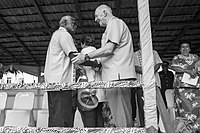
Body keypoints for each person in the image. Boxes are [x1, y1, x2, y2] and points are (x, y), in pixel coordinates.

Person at [72, 4, 136, 127]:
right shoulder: (111, 27)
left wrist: (86, 57)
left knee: (121, 114)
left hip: (118, 77)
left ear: (105, 13)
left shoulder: (115, 23)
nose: (96, 19)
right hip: (114, 77)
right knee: (119, 115)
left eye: (97, 16)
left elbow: (109, 49)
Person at [44, 15, 78, 127]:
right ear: (64, 23)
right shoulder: (64, 34)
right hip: (61, 82)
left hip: (53, 81)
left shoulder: (56, 34)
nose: (75, 25)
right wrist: (95, 63)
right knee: (63, 117)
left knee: (55, 115)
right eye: (72, 22)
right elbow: (74, 56)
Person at [77, 34, 106, 127]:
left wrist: (92, 86)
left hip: (89, 91)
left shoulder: (84, 52)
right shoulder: (98, 52)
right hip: (100, 91)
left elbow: (89, 72)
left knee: (89, 118)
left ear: (83, 44)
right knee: (99, 117)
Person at [131, 43, 162, 127]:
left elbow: (158, 65)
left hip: (154, 84)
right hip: (141, 84)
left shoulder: (154, 53)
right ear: (138, 44)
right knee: (142, 106)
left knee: (155, 106)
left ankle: (155, 126)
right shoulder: (135, 54)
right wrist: (148, 72)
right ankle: (144, 126)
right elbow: (135, 67)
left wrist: (149, 71)